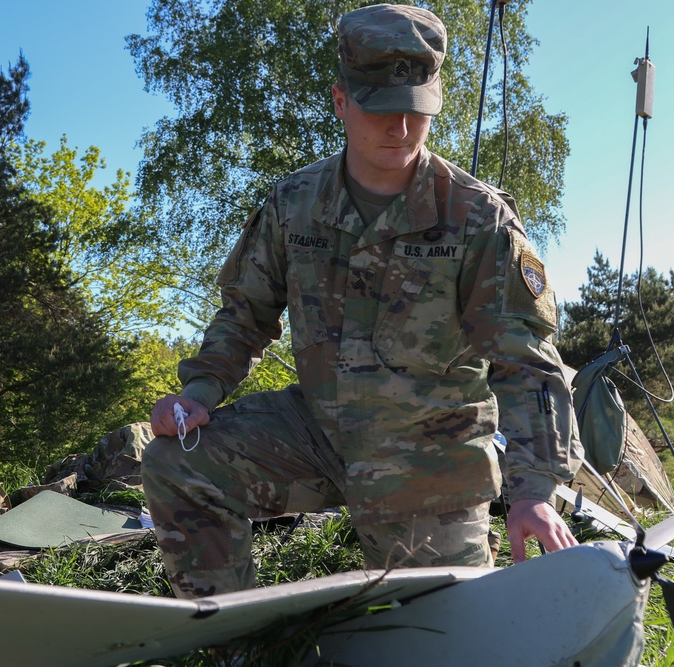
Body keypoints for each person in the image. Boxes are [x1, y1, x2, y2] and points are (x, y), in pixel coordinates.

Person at [141, 3, 583, 599]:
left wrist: (532, 490)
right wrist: (199, 393)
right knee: (179, 463)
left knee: (443, 637)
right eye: (381, 108)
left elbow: (525, 360)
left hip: (429, 460)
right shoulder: (292, 204)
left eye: (415, 109)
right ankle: (237, 641)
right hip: (318, 433)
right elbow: (243, 315)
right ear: (341, 101)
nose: (399, 128)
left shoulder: (478, 218)